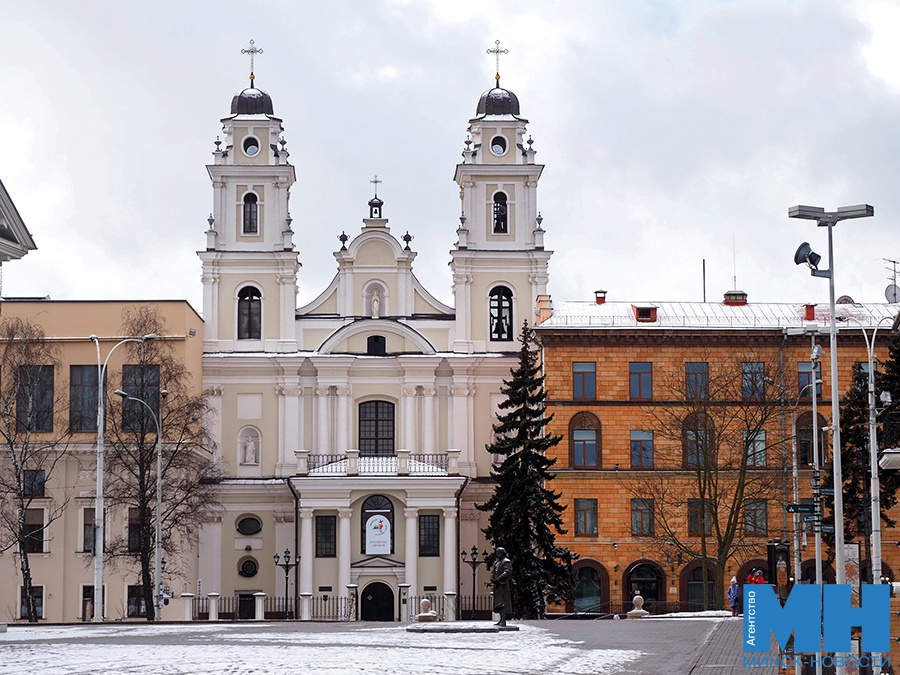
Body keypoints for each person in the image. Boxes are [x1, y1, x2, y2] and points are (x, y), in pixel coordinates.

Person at [489, 547, 513, 627]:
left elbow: (507, 572)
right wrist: (492, 579)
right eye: (497, 553)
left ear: (503, 553)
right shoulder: (497, 562)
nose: (497, 554)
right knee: (498, 603)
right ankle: (501, 619)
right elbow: (493, 572)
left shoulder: (506, 562)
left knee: (503, 602)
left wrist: (498, 579)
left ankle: (503, 620)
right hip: (497, 586)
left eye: (499, 553)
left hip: (503, 586)